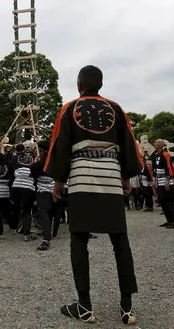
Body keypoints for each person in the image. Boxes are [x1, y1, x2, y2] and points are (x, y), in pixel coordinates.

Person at [45, 65, 141, 325]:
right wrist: (126, 177)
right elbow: (128, 144)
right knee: (120, 240)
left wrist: (58, 180)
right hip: (111, 173)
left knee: (79, 238)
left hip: (81, 175)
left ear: (79, 84)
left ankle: (85, 306)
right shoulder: (116, 109)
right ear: (100, 83)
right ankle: (127, 308)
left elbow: (61, 144)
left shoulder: (70, 108)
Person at [151, 140, 174, 228]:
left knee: (169, 202)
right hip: (159, 181)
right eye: (155, 143)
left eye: (157, 142)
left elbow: (169, 167)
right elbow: (154, 168)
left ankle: (173, 221)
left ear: (162, 144)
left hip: (166, 180)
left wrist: (168, 180)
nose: (155, 144)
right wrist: (154, 179)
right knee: (162, 201)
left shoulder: (166, 154)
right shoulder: (154, 155)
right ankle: (168, 220)